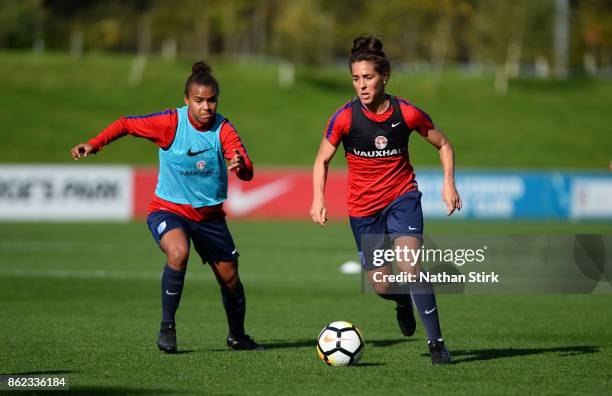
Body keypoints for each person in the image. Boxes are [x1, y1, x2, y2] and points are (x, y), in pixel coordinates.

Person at [71, 61, 263, 353]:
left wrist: (240, 165)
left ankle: (237, 335)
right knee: (178, 252)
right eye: (199, 100)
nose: (206, 106)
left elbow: (246, 169)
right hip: (169, 209)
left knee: (230, 278)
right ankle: (167, 328)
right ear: (187, 100)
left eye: (212, 100)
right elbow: (125, 123)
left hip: (210, 217)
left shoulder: (223, 128)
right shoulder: (170, 123)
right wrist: (94, 144)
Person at [310, 36, 461, 365]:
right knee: (380, 286)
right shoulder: (344, 118)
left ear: (384, 76)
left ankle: (437, 343)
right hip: (364, 210)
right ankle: (403, 301)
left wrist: (449, 183)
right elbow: (321, 160)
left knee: (410, 266)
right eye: (355, 78)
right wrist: (318, 197)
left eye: (368, 78)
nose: (361, 86)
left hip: (402, 198)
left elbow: (444, 145)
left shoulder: (406, 113)